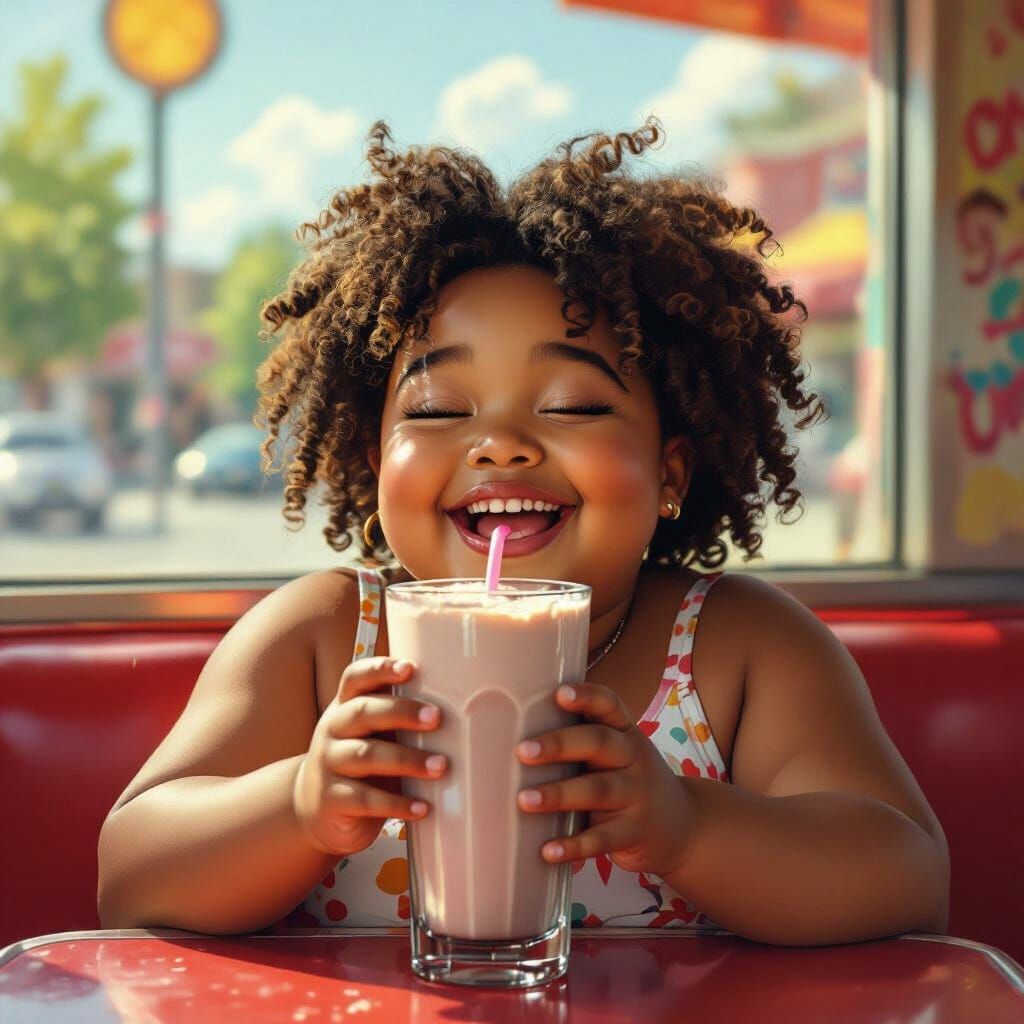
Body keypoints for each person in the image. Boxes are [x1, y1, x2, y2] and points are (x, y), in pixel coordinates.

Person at [97, 119, 948, 946]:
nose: (498, 443)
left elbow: (906, 877)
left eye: (573, 404)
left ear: (671, 473)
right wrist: (299, 806)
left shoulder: (741, 650)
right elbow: (132, 875)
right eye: (438, 410)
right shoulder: (322, 642)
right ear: (375, 457)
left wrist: (685, 826)